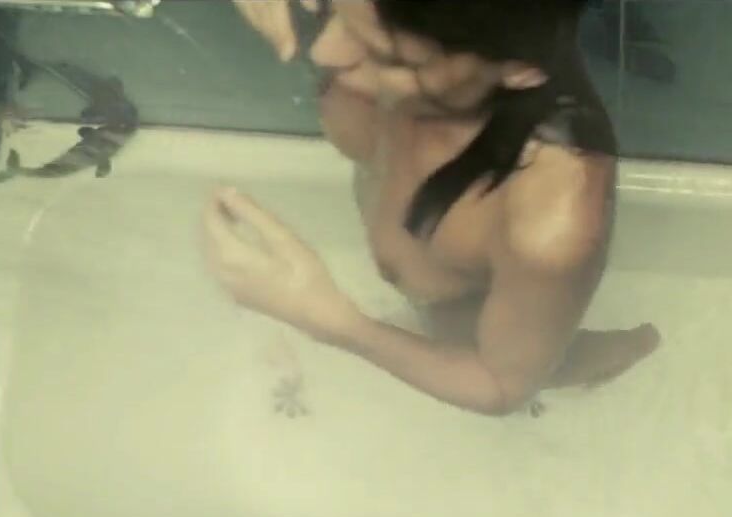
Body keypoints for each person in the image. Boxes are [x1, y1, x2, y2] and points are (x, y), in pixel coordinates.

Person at [204, 0, 660, 417]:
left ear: (517, 69)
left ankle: (628, 349)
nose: (324, 52)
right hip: (425, 255)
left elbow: (500, 386)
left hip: (458, 304)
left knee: (523, 355)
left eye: (390, 58)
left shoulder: (549, 223)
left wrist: (331, 320)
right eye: (330, 10)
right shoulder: (389, 31)